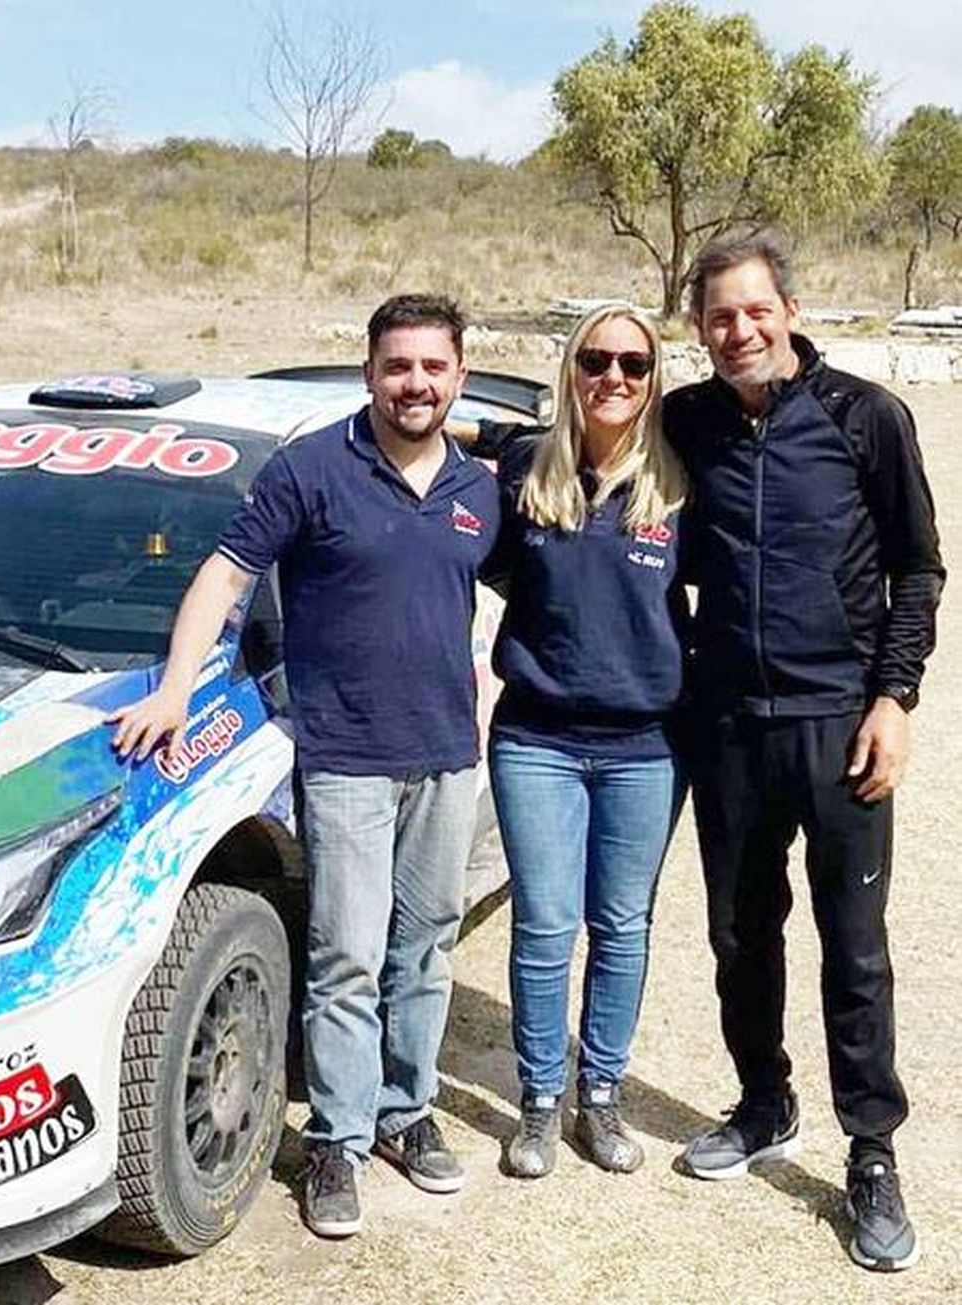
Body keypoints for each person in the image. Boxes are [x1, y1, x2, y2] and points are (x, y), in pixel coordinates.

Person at [109, 294, 499, 1238]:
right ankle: (336, 1138)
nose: (416, 384)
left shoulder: (479, 490)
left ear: (457, 375)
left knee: (426, 945)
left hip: (446, 754)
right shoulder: (313, 467)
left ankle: (407, 1112)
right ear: (370, 372)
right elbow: (224, 574)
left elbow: (544, 584)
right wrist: (175, 687)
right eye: (398, 366)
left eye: (434, 368)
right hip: (347, 758)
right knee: (347, 956)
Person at [667, 231, 944, 1273]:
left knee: (854, 946)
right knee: (741, 936)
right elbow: (590, 458)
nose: (738, 330)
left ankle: (870, 1150)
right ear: (699, 330)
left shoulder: (866, 417)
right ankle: (764, 1101)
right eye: (718, 317)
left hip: (840, 723)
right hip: (729, 723)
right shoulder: (686, 420)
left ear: (787, 308)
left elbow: (917, 569)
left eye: (753, 309)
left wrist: (895, 698)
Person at [464, 305, 687, 1178]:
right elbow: (457, 434)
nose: (614, 379)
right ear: (571, 368)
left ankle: (602, 1094)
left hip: (647, 747)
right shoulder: (528, 466)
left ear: (654, 375)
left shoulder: (679, 477)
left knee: (622, 926)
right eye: (596, 359)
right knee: (546, 926)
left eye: (634, 363)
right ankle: (538, 1101)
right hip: (539, 741)